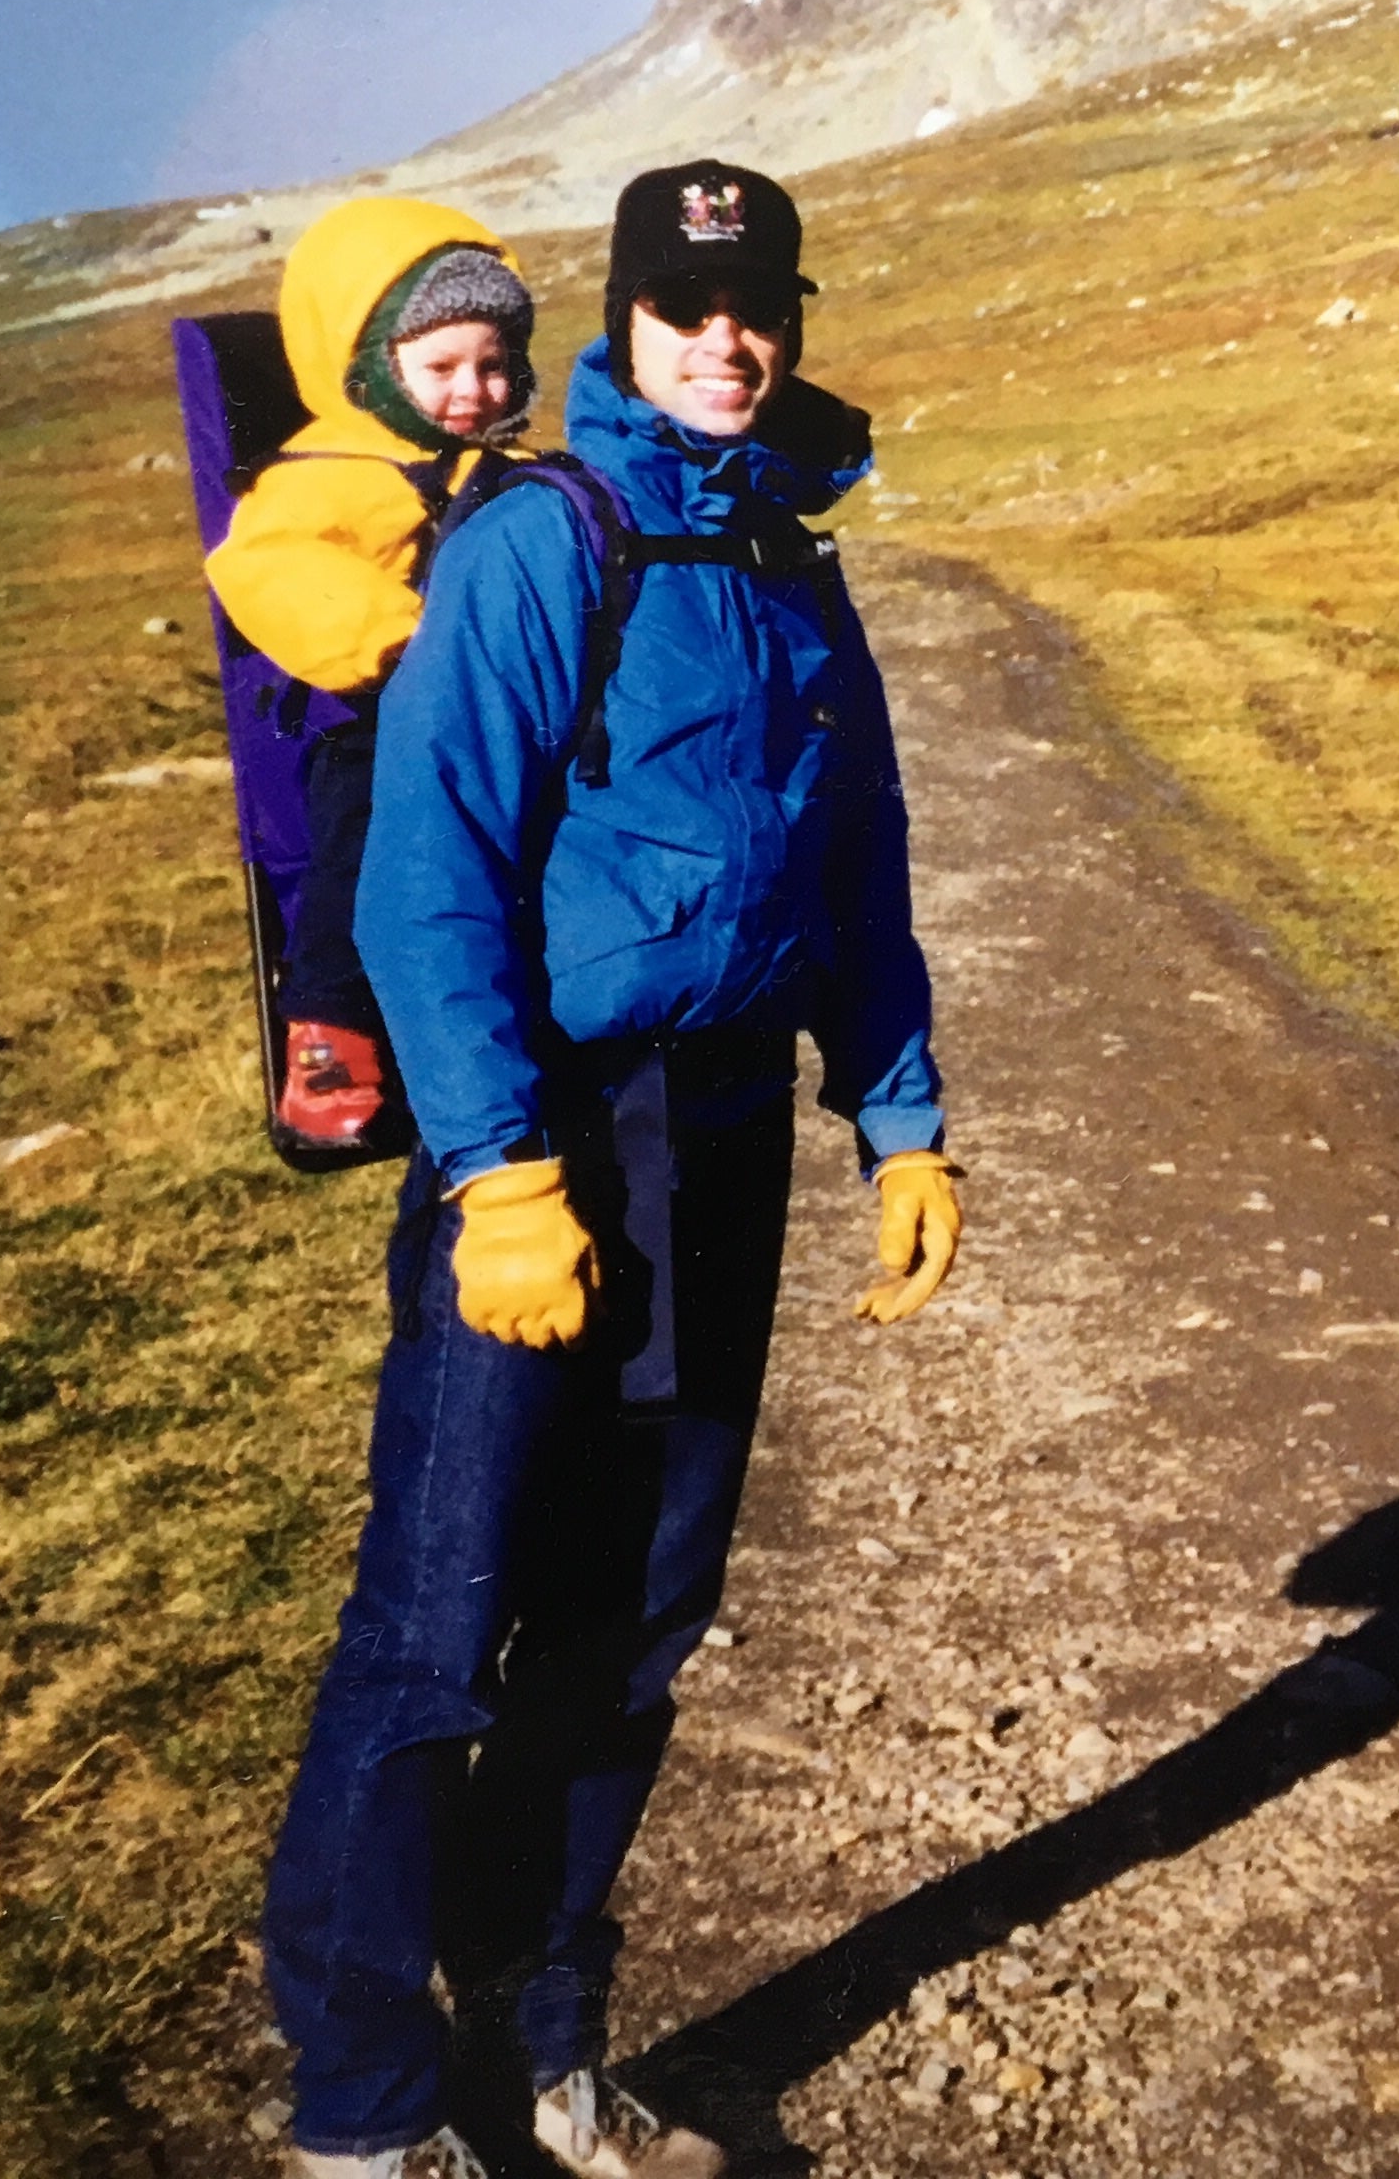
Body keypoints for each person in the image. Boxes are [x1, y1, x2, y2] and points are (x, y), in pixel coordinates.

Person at [257, 161, 963, 2179]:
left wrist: (899, 1112)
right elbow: (428, 881)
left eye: (759, 311)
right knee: (435, 1621)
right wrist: (492, 1171)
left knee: (633, 1630)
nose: (728, 343)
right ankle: (366, 2113)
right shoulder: (541, 546)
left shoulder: (792, 566)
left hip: (720, 1142)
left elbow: (863, 867)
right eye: (686, 309)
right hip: (550, 1143)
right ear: (627, 323)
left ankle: (543, 2045)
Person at [202, 197, 538, 1150]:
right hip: (378, 713)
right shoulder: (324, 472)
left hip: (497, 706)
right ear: (366, 366)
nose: (470, 388)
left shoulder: (499, 464)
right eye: (439, 367)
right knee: (363, 846)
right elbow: (265, 566)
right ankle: (328, 1037)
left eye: (492, 362)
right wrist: (405, 641)